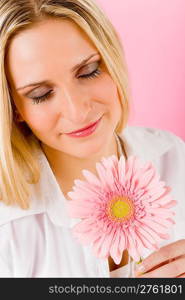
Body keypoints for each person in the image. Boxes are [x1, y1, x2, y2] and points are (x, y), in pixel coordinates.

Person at [0, 0, 185, 278]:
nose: (77, 111)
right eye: (40, 94)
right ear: (15, 110)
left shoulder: (173, 156)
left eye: (88, 71)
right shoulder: (9, 226)